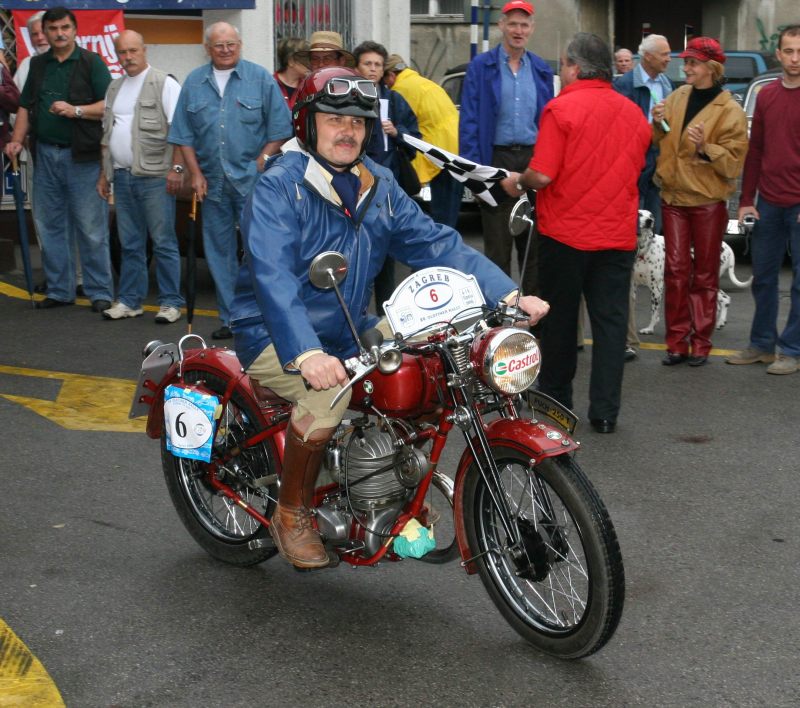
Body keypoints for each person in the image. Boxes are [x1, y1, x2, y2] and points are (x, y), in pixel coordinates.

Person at [230, 67, 550, 569]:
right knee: (326, 398)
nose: (347, 131)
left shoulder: (376, 183)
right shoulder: (279, 187)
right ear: (307, 124)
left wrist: (507, 294)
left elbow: (435, 243)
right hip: (272, 332)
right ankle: (291, 514)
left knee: (434, 364)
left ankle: (391, 478)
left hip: (347, 325)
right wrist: (306, 353)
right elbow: (272, 279)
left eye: (357, 122)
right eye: (334, 119)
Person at [501, 32, 651, 434]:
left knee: (561, 323)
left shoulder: (561, 109)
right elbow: (637, 166)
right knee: (611, 325)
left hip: (565, 234)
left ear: (575, 67)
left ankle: (556, 403)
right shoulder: (634, 113)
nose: (562, 71)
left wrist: (518, 180)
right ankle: (605, 412)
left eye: (564, 64)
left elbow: (543, 174)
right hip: (616, 234)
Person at [169, 22, 293, 340]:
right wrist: (194, 173)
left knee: (260, 251)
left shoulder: (260, 78)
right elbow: (183, 134)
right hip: (211, 182)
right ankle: (231, 318)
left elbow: (281, 128)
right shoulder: (194, 82)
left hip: (253, 180)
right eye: (218, 45)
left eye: (231, 44)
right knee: (218, 253)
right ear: (207, 48)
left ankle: (264, 316)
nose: (225, 50)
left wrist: (262, 160)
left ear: (240, 45)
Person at [4, 7, 114, 314]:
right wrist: (16, 139)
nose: (59, 33)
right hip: (45, 155)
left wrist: (76, 110)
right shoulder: (38, 64)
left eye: (65, 27)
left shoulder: (91, 62)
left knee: (90, 228)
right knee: (50, 226)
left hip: (83, 157)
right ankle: (59, 290)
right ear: (46, 32)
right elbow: (25, 106)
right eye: (53, 29)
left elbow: (109, 105)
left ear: (75, 30)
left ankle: (99, 291)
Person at [652, 37, 748, 367]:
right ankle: (677, 342)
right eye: (686, 62)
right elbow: (663, 139)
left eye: (693, 63)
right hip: (673, 196)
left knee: (705, 274)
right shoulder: (677, 96)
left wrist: (706, 147)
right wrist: (658, 122)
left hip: (707, 201)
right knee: (675, 271)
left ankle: (701, 342)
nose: (686, 68)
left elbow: (734, 163)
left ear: (711, 68)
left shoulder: (730, 110)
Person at [459, 0, 554, 297]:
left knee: (533, 247)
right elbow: (469, 122)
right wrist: (476, 175)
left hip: (532, 161)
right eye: (513, 23)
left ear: (532, 29)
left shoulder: (540, 69)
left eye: (524, 25)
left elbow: (548, 122)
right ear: (501, 25)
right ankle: (500, 315)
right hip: (495, 160)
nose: (518, 30)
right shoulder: (481, 67)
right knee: (498, 249)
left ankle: (533, 317)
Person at [96, 30, 185, 324]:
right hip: (122, 176)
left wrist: (177, 169)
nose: (128, 57)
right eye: (122, 52)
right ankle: (130, 301)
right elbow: (107, 135)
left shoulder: (164, 83)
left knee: (163, 242)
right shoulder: (114, 87)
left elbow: (180, 130)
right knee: (130, 243)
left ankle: (171, 303)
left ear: (144, 50)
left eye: (133, 50)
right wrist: (104, 175)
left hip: (156, 177)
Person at [726, 25, 800, 375]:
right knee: (764, 277)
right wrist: (746, 199)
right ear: (779, 55)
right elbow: (755, 151)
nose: (795, 58)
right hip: (767, 202)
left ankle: (792, 349)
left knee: (799, 283)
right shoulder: (767, 95)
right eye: (789, 51)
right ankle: (762, 345)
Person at [615, 33, 673, 361]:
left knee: (654, 235)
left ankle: (650, 304)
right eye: (664, 54)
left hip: (657, 166)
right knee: (628, 239)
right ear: (647, 56)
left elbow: (668, 127)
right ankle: (627, 324)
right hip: (632, 166)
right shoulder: (624, 85)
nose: (669, 59)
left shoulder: (666, 84)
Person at [353, 40, 421, 311]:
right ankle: (354, 314)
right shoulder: (348, 97)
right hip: (354, 185)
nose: (372, 69)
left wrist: (397, 133)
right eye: (367, 64)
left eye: (378, 65)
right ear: (356, 68)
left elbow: (415, 137)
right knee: (356, 254)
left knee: (385, 254)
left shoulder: (394, 100)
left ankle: (386, 315)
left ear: (383, 70)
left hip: (388, 185)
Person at [383, 54, 462, 228]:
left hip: (438, 149)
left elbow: (403, 124)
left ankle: (439, 241)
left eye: (385, 80)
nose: (386, 85)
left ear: (391, 75)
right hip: (455, 145)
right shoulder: (422, 82)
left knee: (439, 209)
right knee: (450, 207)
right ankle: (448, 239)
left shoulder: (401, 89)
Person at [13, 12, 51, 92]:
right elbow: (15, 95)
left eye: (44, 32)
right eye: (35, 34)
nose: (40, 38)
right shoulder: (27, 63)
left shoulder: (71, 60)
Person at [273, 37, 310, 110]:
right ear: (291, 61)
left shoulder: (308, 86)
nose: (310, 63)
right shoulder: (270, 84)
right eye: (306, 59)